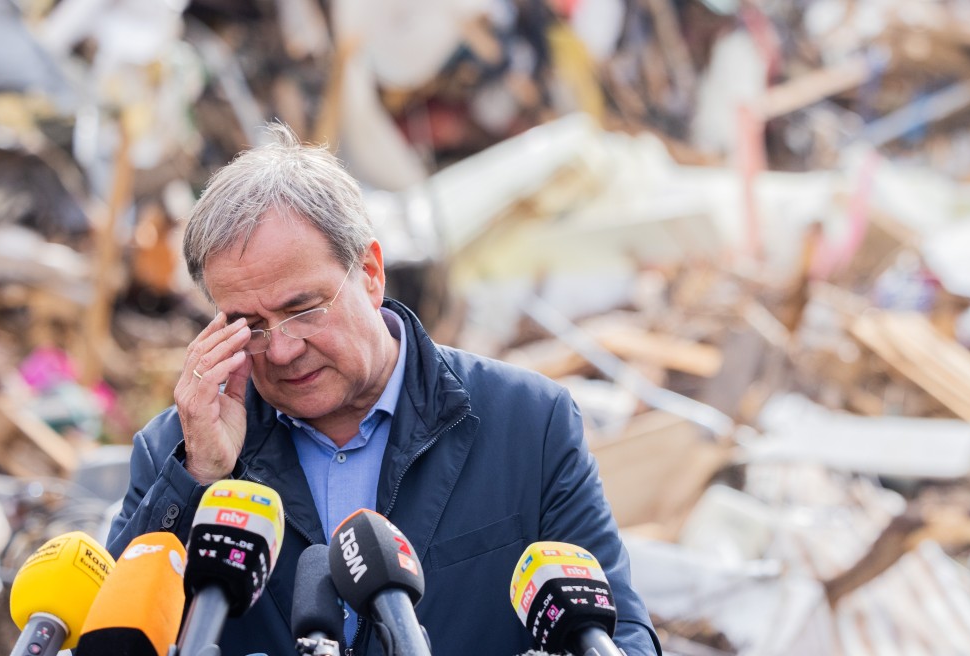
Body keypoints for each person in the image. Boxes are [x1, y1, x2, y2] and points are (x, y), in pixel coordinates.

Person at [106, 123, 661, 656]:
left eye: (303, 308)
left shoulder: (528, 424)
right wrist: (200, 476)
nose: (280, 349)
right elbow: (116, 637)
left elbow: (623, 635)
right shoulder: (176, 452)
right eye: (248, 325)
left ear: (370, 271)